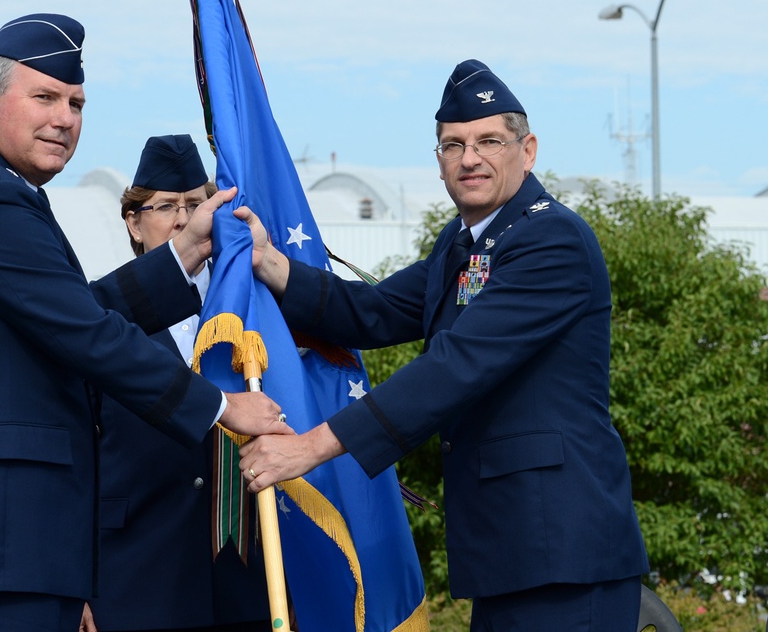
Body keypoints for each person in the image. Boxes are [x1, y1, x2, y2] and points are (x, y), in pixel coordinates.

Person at [0, 14, 290, 632]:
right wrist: (221, 408)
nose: (65, 117)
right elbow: (90, 335)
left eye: (75, 102)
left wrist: (182, 255)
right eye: (44, 97)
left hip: (6, 550)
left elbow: (75, 313)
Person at [235, 59, 650, 631]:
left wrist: (308, 448)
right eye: (453, 145)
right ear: (439, 163)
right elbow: (375, 311)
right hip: (513, 551)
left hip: (564, 554)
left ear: (527, 151)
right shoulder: (462, 244)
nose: (469, 158)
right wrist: (268, 262)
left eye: (488, 141)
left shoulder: (549, 239)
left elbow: (453, 368)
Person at [84, 134, 270, 632]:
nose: (186, 220)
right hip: (133, 578)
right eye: (167, 206)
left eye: (197, 203)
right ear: (134, 221)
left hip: (243, 581)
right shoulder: (99, 317)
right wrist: (75, 585)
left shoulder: (248, 315)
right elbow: (75, 458)